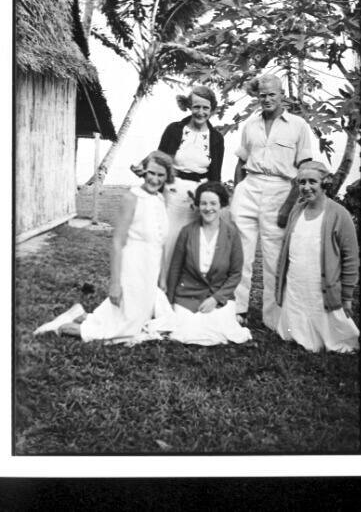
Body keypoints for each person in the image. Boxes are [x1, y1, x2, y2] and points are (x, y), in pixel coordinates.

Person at [34, 151, 174, 342]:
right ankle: (65, 325)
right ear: (144, 172)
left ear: (167, 177)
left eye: (161, 175)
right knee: (125, 328)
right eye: (151, 173)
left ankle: (79, 314)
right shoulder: (132, 198)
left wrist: (163, 279)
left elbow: (161, 242)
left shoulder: (160, 200)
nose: (155, 179)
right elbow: (117, 242)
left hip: (150, 272)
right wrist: (115, 284)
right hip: (132, 269)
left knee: (135, 321)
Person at [230, 74, 312, 330]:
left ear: (281, 94)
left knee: (274, 258)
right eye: (262, 95)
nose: (266, 99)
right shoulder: (250, 125)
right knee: (240, 253)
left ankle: (273, 317)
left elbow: (305, 168)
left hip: (280, 189)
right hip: (249, 187)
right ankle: (236, 311)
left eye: (271, 94)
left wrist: (289, 205)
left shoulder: (298, 126)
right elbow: (242, 161)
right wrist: (237, 192)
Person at [275, 161, 360, 353]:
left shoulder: (339, 214)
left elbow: (351, 258)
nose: (306, 187)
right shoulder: (297, 210)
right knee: (295, 315)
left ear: (325, 182)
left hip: (322, 287)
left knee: (336, 335)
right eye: (301, 182)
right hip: (296, 283)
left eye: (312, 182)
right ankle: (296, 334)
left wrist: (346, 296)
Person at [162, 181, 252, 346]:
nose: (207, 208)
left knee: (221, 329)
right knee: (186, 331)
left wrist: (215, 299)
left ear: (222, 205)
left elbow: (235, 274)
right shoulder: (187, 232)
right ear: (197, 205)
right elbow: (175, 268)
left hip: (218, 297)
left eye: (213, 203)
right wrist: (169, 302)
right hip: (188, 296)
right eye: (203, 203)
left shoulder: (231, 233)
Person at [151, 85, 225, 271]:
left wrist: (210, 200)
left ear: (212, 109)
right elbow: (160, 162)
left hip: (199, 195)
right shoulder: (174, 130)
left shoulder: (216, 138)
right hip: (173, 191)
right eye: (196, 107)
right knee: (167, 240)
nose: (201, 112)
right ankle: (159, 289)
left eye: (205, 108)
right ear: (189, 107)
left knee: (192, 245)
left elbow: (215, 175)